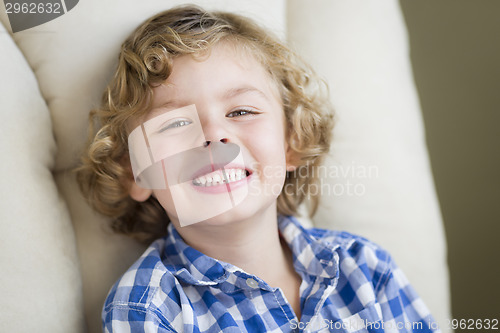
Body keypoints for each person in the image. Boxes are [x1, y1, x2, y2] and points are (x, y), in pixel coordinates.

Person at [77, 5, 439, 332]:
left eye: (241, 112)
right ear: (135, 173)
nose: (214, 135)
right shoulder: (148, 309)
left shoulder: (364, 270)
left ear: (291, 143)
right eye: (174, 124)